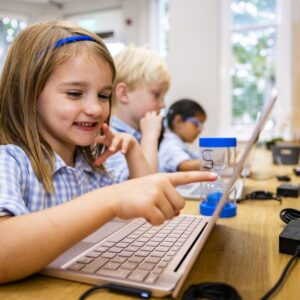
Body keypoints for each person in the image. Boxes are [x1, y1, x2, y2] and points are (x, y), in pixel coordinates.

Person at [0, 21, 216, 284]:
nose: (95, 108)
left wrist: (134, 151)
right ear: (29, 95)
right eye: (74, 93)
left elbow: (141, 217)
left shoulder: (91, 163)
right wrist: (109, 199)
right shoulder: (10, 161)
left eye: (103, 95)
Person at [104, 46, 171, 178]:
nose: (163, 104)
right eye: (157, 94)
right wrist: (150, 136)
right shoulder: (111, 136)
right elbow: (145, 186)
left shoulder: (139, 132)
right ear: (124, 94)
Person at [159, 98, 207, 172]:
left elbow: (195, 158)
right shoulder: (170, 144)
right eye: (197, 124)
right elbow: (185, 165)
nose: (200, 130)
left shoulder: (179, 144)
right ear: (178, 121)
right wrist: (216, 162)